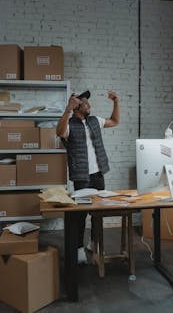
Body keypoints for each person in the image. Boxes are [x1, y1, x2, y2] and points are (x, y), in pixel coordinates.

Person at [56, 89, 120, 263]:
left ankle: (94, 243)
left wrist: (116, 102)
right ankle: (78, 248)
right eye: (85, 102)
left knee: (98, 213)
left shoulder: (94, 121)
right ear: (76, 105)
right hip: (81, 177)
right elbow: (59, 132)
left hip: (98, 174)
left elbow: (114, 121)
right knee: (80, 215)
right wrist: (67, 109)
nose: (89, 104)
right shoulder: (69, 124)